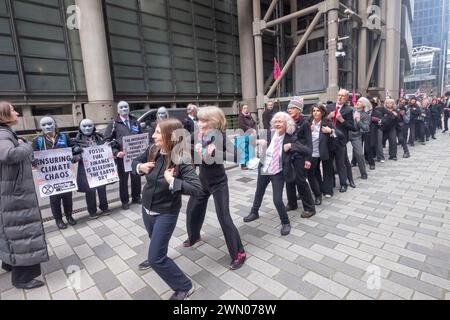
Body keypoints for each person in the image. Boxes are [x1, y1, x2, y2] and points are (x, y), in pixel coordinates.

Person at [132, 119, 203, 300]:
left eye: (157, 132)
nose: (153, 135)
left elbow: (197, 189)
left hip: (166, 211)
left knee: (156, 259)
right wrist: (141, 167)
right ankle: (156, 253)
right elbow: (133, 162)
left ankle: (184, 286)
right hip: (147, 208)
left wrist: (172, 181)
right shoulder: (152, 150)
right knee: (154, 241)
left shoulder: (182, 158)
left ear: (170, 136)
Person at [184, 106, 246, 270]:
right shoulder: (198, 135)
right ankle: (194, 236)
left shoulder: (221, 137)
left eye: (204, 121)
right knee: (192, 210)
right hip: (202, 181)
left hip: (219, 183)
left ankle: (239, 253)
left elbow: (238, 157)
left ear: (213, 122)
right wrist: (193, 149)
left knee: (224, 217)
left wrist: (216, 152)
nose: (200, 123)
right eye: (199, 120)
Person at [0, 101, 49, 290]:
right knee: (22, 232)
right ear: (3, 115)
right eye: (12, 110)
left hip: (12, 193)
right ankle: (22, 278)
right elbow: (9, 155)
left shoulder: (5, 132)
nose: (17, 113)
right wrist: (27, 146)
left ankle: (10, 263)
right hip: (15, 195)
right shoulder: (3, 134)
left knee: (12, 232)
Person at [243, 112, 297, 235]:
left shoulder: (290, 138)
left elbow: (304, 149)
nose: (277, 124)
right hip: (264, 168)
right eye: (276, 121)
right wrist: (257, 143)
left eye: (280, 121)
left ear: (286, 124)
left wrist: (292, 146)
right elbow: (254, 145)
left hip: (278, 172)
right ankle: (254, 212)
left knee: (277, 199)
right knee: (259, 192)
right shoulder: (268, 134)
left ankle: (285, 222)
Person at [32, 116, 76, 229]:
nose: (47, 126)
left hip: (65, 174)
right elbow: (33, 155)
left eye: (49, 124)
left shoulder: (63, 137)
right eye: (44, 125)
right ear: (41, 127)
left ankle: (69, 216)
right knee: (54, 199)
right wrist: (33, 161)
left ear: (54, 124)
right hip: (49, 176)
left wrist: (76, 154)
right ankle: (58, 220)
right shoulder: (38, 140)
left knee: (67, 196)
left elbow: (73, 148)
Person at [104, 101, 142, 210]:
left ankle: (136, 197)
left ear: (129, 108)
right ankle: (125, 201)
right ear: (118, 110)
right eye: (121, 107)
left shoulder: (135, 121)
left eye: (126, 106)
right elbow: (107, 141)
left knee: (136, 177)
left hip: (135, 156)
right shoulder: (113, 124)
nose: (124, 109)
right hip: (122, 157)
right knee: (123, 181)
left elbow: (141, 136)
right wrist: (116, 152)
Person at [72, 119, 112, 219]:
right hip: (86, 170)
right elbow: (73, 158)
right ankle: (92, 210)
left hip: (99, 168)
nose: (87, 128)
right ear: (80, 128)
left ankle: (104, 207)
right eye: (84, 126)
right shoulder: (76, 141)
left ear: (93, 126)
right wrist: (79, 155)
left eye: (89, 126)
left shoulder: (99, 137)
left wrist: (109, 147)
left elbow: (105, 150)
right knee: (90, 191)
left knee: (102, 189)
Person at [285, 97, 316, 218]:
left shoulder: (305, 123)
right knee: (289, 180)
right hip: (289, 155)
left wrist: (308, 159)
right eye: (288, 108)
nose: (289, 110)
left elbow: (309, 144)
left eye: (292, 107)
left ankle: (310, 208)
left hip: (300, 156)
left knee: (301, 181)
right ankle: (292, 203)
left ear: (299, 109)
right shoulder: (287, 122)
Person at [308, 104, 345, 200]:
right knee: (315, 172)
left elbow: (341, 135)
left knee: (327, 170)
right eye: (314, 111)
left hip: (325, 150)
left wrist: (331, 131)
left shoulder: (327, 123)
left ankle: (328, 190)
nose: (315, 112)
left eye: (318, 111)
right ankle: (319, 189)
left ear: (322, 112)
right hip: (313, 152)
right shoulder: (308, 123)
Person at [326, 90, 357, 192]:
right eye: (339, 95)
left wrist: (342, 120)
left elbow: (352, 127)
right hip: (328, 139)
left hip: (340, 141)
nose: (340, 97)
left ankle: (344, 184)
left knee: (341, 163)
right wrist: (328, 117)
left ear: (346, 98)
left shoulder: (348, 110)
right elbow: (321, 120)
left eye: (343, 96)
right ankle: (331, 183)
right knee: (329, 163)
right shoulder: (329, 107)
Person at [349, 98, 370, 179]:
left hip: (356, 136)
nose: (357, 103)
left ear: (364, 104)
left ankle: (363, 173)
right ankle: (336, 169)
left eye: (360, 102)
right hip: (346, 134)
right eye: (357, 101)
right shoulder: (351, 110)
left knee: (360, 154)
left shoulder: (365, 115)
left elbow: (366, 128)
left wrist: (358, 120)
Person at [237, 104, 257, 170]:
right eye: (244, 108)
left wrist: (254, 129)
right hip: (243, 135)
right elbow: (242, 126)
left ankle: (248, 163)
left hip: (250, 135)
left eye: (247, 108)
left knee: (249, 149)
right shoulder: (241, 116)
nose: (246, 109)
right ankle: (243, 165)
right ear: (242, 109)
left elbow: (254, 123)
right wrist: (251, 130)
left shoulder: (249, 116)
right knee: (244, 150)